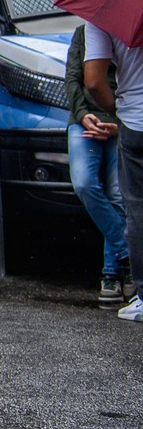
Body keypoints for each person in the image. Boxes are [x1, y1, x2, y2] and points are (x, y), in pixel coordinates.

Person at [66, 24, 130, 307]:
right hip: (85, 121)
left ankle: (111, 274)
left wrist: (118, 124)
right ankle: (128, 253)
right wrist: (82, 115)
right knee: (84, 183)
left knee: (118, 195)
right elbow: (72, 79)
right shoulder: (83, 32)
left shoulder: (131, 33)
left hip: (124, 121)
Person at [84, 20, 143, 322]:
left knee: (137, 209)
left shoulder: (104, 10)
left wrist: (118, 110)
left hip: (136, 121)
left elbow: (93, 80)